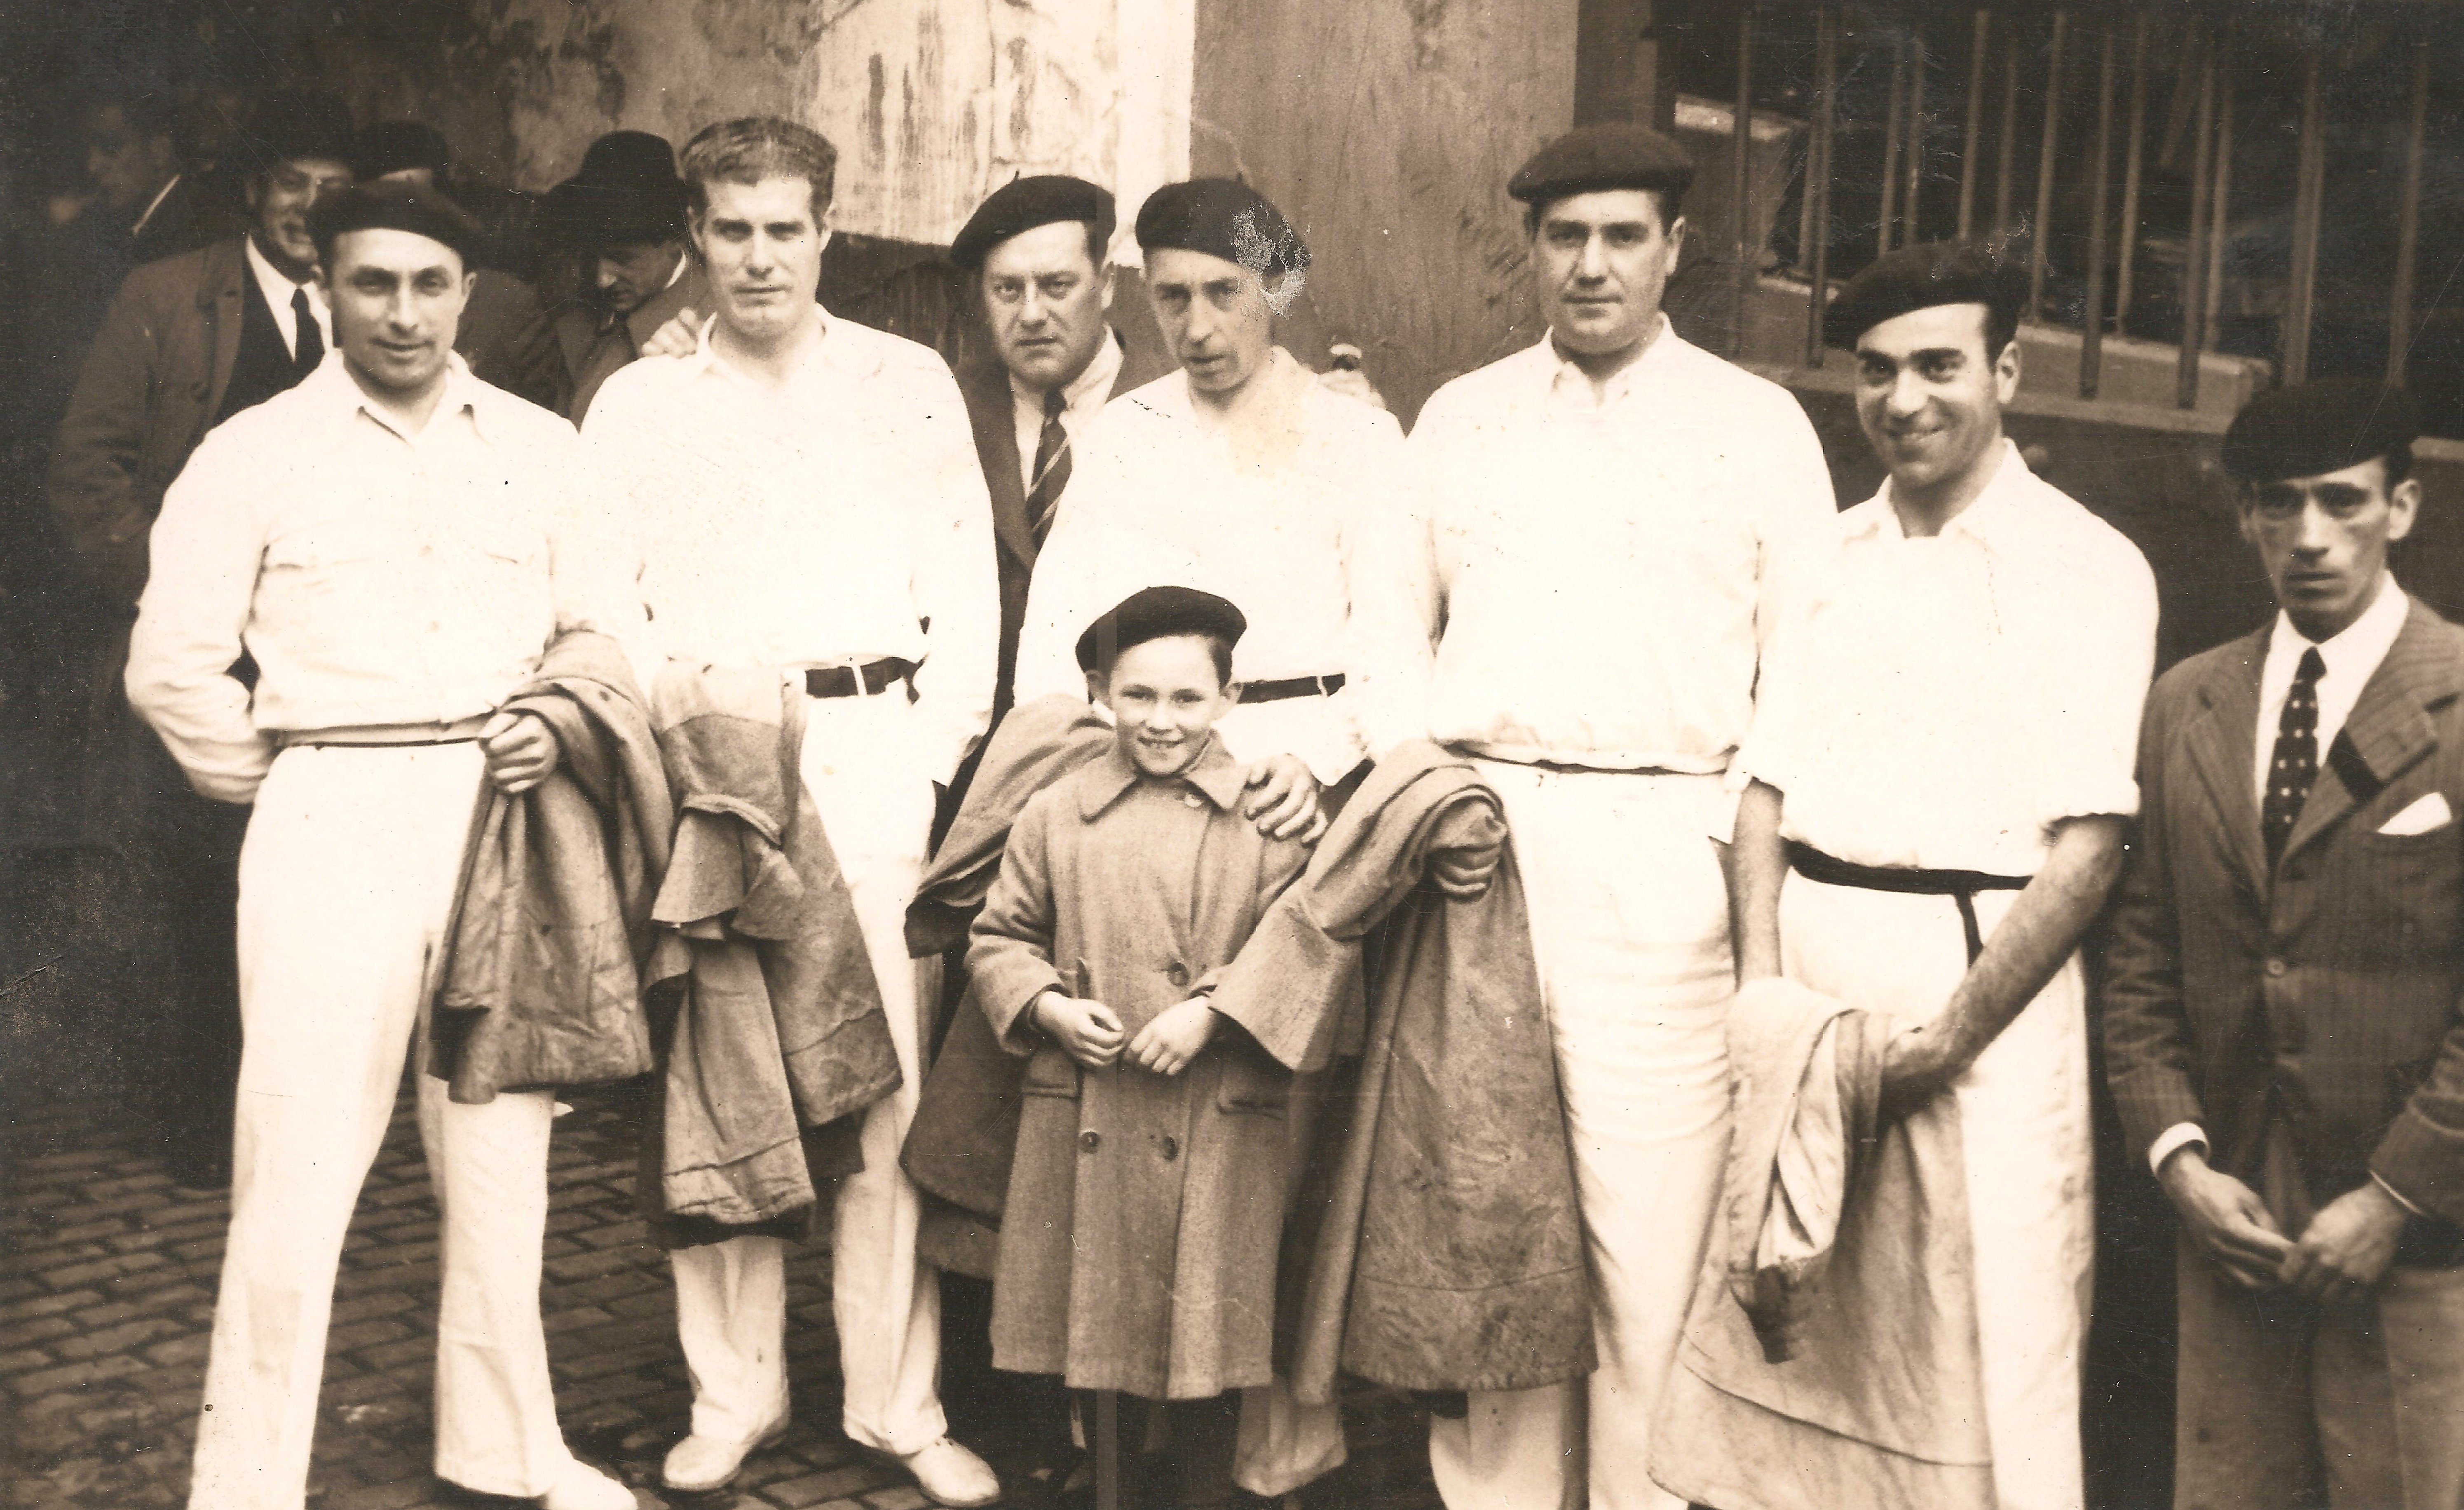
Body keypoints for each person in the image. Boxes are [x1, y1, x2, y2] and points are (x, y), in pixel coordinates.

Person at [123, 181, 634, 1510]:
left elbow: (607, 625)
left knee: (502, 1155)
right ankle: (243, 1485)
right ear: (327, 282)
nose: (402, 312)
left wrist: (551, 726)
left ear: (468, 293)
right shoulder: (251, 452)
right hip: (329, 815)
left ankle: (508, 1448)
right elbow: (172, 666)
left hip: (500, 815)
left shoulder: (541, 446)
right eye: (372, 283)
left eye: (429, 283)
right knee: (293, 1163)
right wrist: (293, 779)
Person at [1655, 240, 2159, 1510]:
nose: (1904, 400)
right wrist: (1764, 1004)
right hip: (1810, 1003)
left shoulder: (2084, 563)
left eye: (1939, 366)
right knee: (1805, 1335)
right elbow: (1761, 793)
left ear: (2007, 369)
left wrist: (1948, 1038)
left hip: (1974, 1000)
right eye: (1875, 373)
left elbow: (2087, 850)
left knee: (1982, 1339)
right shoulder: (1824, 554)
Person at [1379, 121, 1838, 1510]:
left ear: (1672, 252)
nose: (1589, 265)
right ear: (1528, 249)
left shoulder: (1753, 427)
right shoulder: (1459, 415)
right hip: (1484, 853)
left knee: (1646, 1241)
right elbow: (1390, 640)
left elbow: (1804, 675)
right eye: (1563, 236)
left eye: (1619, 236)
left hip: (1664, 862)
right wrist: (1428, 797)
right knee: (1492, 1224)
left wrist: (1732, 876)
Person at [580, 115, 1003, 1506]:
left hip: (873, 758)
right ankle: (735, 1393)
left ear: (827, 228)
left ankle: (896, 1404)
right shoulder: (639, 404)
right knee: (725, 1095)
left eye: (784, 228)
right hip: (712, 775)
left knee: (882, 1093)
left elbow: (966, 591)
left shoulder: (908, 382)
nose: (759, 257)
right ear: (696, 236)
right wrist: (686, 724)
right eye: (732, 229)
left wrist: (933, 761)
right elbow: (600, 600)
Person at [2105, 379, 2464, 1510]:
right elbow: (2143, 951)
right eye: (2277, 504)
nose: (2308, 536)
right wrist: (2180, 1159)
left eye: (2341, 502)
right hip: (2235, 1222)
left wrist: (2394, 1194)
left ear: (2400, 507)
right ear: (2243, 517)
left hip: (2414, 1228)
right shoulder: (2186, 702)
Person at [45, 87, 358, 1195]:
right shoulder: (166, 296)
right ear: (253, 192)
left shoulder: (368, 307)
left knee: (318, 889)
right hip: (202, 654)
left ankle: (312, 1116)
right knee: (194, 891)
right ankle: (201, 1120)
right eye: (291, 184)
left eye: (333, 189)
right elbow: (88, 464)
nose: (310, 209)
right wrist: (165, 586)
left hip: (323, 651)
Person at [966, 585, 1314, 1508]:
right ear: (1099, 693)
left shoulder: (1265, 816)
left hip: (1215, 1105)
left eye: (1188, 698)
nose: (1162, 721)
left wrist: (1209, 1009)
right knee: (1099, 1328)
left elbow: (1301, 943)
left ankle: (1202, 1490)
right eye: (1139, 696)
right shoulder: (1057, 811)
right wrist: (1044, 1007)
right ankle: (1111, 1487)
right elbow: (999, 934)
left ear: (1230, 700)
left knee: (1209, 1331)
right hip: (1091, 1100)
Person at [1013, 177, 1422, 851]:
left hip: (1297, 788)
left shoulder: (1356, 438)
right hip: (1138, 778)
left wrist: (1318, 766)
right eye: (1172, 297)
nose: (1196, 329)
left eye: (1223, 292)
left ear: (1273, 287)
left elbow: (1392, 643)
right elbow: (1053, 632)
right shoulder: (1124, 432)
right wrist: (1075, 769)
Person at [350, 120, 551, 397]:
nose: (406, 217)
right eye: (388, 202)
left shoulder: (505, 304)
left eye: (420, 200)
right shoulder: (341, 298)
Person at [541, 130, 706, 421]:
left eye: (623, 259)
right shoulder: (574, 305)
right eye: (591, 256)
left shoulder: (708, 326)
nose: (603, 279)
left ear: (673, 244)